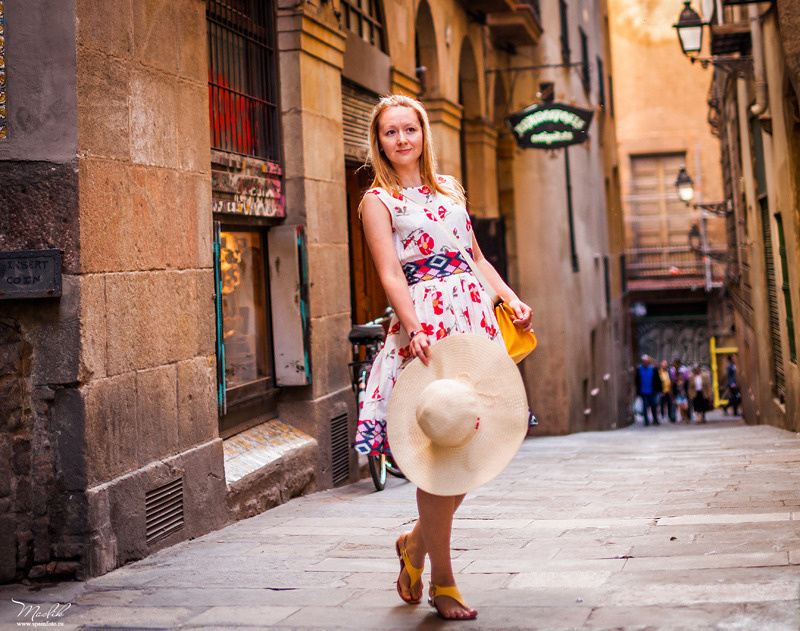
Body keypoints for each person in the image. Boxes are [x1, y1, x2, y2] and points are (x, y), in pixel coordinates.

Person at [352, 94, 533, 620]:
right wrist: (413, 326)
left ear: (424, 133)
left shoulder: (450, 189)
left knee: (474, 447)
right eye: (391, 132)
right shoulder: (377, 201)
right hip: (426, 328)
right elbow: (390, 273)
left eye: (410, 129)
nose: (402, 139)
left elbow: (473, 257)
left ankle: (414, 544)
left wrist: (509, 297)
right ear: (379, 139)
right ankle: (444, 582)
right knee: (440, 451)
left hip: (474, 326)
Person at [635, 355, 661, 426]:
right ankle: (646, 421)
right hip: (643, 391)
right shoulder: (639, 369)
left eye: (646, 361)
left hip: (652, 391)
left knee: (654, 406)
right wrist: (638, 391)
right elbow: (637, 380)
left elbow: (657, 380)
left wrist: (658, 390)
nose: (645, 362)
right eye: (644, 361)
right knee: (645, 406)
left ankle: (655, 419)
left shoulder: (653, 369)